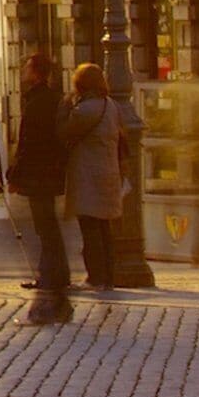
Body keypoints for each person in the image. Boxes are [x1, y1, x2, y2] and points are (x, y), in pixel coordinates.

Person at [5, 49, 72, 323]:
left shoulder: (37, 103)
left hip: (38, 173)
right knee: (47, 225)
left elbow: (27, 144)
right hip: (49, 171)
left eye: (27, 68)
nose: (23, 73)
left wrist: (13, 175)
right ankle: (53, 273)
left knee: (45, 225)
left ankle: (51, 275)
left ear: (37, 73)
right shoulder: (54, 100)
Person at [63, 61, 137, 297]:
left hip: (88, 176)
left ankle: (96, 277)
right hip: (108, 174)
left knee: (90, 227)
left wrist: (65, 106)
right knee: (104, 227)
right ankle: (107, 276)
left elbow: (65, 131)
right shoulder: (111, 106)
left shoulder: (85, 109)